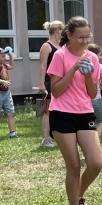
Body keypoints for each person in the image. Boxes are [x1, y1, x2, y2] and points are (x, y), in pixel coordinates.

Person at [47, 16, 102, 205]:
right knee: (73, 165)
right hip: (61, 114)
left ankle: (78, 195)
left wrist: (88, 75)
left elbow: (91, 93)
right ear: (69, 36)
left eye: (87, 37)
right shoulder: (60, 56)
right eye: (80, 37)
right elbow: (56, 91)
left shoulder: (93, 59)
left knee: (96, 162)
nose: (84, 41)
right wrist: (73, 69)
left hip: (84, 113)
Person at [38, 20, 64, 148]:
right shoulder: (46, 46)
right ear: (57, 30)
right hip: (50, 82)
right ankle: (45, 139)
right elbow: (43, 66)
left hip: (61, 81)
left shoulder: (61, 46)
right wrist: (42, 83)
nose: (64, 31)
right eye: (62, 29)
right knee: (48, 110)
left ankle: (62, 135)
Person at [87, 44, 102, 138]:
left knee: (87, 123)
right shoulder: (99, 66)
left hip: (84, 99)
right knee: (100, 121)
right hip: (96, 98)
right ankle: (95, 143)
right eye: (100, 55)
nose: (101, 57)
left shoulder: (83, 65)